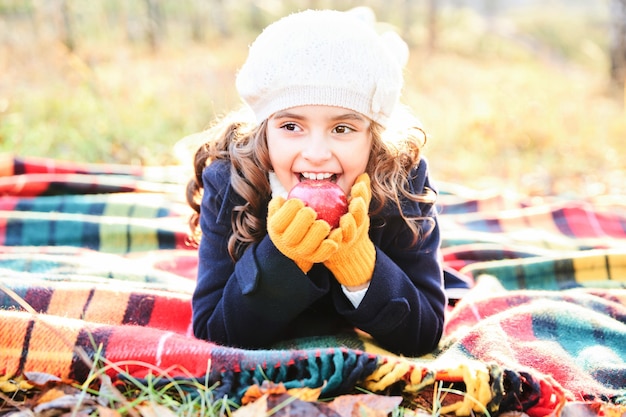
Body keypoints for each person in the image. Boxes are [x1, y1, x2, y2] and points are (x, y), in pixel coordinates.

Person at [185, 8, 446, 357]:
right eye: (292, 127)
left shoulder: (402, 179)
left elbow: (424, 334)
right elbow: (213, 332)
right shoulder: (230, 180)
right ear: (265, 128)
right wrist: (284, 257)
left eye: (342, 129)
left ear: (374, 136)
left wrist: (360, 265)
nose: (317, 153)